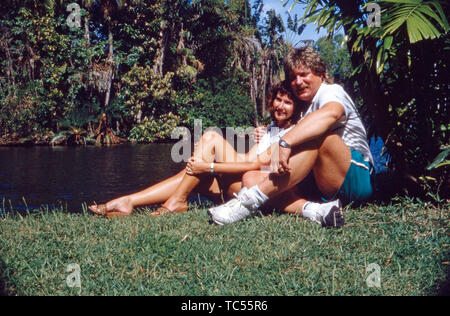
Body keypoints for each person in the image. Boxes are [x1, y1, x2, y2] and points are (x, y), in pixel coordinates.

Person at [208, 46, 374, 228]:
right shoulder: (303, 107)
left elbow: (331, 114)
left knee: (316, 133)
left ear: (320, 74)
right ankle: (316, 210)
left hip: (353, 174)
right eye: (293, 77)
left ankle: (249, 202)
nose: (298, 81)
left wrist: (285, 142)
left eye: (304, 74)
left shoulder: (330, 91)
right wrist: (271, 134)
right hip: (317, 180)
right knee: (250, 178)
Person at [88, 82, 302, 218]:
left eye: (287, 103)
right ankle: (131, 201)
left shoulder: (291, 133)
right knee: (192, 172)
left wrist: (209, 165)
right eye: (278, 100)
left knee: (209, 141)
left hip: (256, 191)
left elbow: (255, 165)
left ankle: (174, 201)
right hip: (238, 183)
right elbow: (247, 157)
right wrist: (207, 162)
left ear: (296, 108)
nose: (280, 106)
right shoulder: (271, 129)